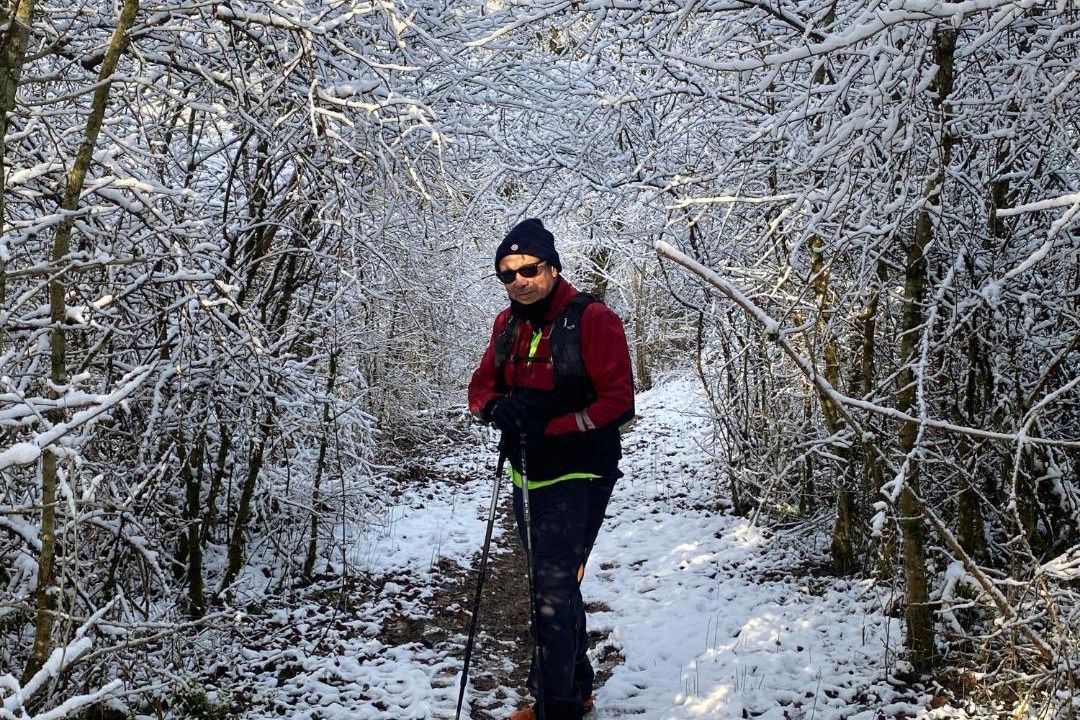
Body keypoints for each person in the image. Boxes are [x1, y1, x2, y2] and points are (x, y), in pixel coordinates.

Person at [468, 218, 635, 720]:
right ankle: (576, 689)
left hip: (581, 474)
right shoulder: (507, 323)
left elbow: (619, 402)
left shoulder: (593, 320)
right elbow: (480, 386)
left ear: (553, 267)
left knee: (551, 593)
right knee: (556, 589)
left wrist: (553, 426)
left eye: (528, 269)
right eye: (507, 274)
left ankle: (556, 708)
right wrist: (495, 407)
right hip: (526, 476)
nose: (518, 280)